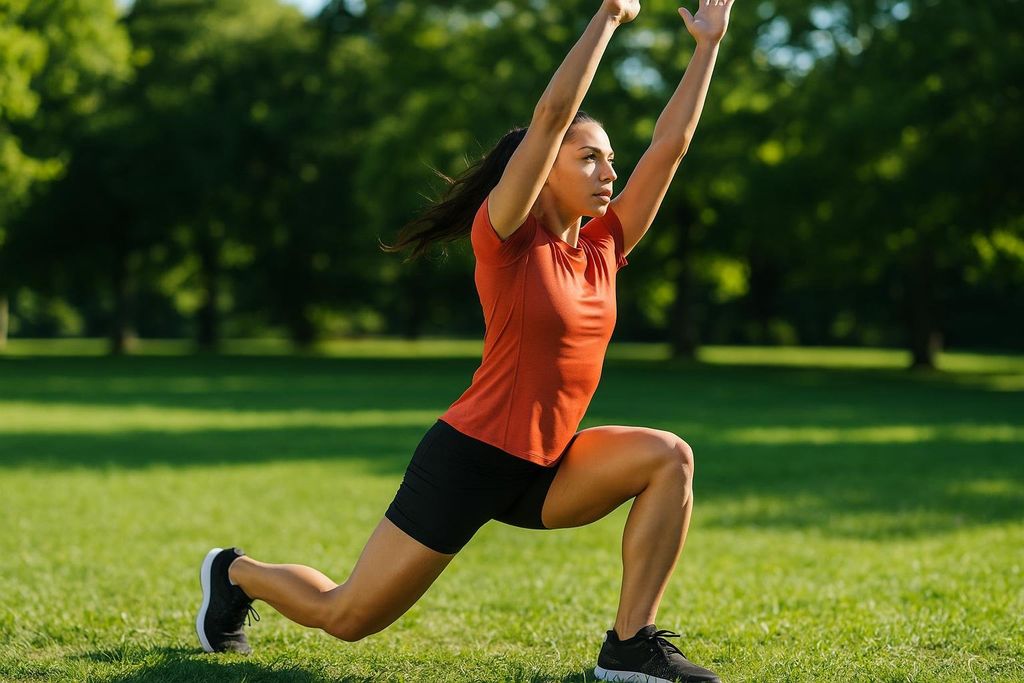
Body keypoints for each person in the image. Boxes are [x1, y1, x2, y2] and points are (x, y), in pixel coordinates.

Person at [195, 1, 735, 681]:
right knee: (347, 616)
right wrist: (607, 17)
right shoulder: (506, 235)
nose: (609, 172)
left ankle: (629, 645)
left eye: (610, 160)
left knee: (669, 458)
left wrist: (707, 46)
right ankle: (235, 573)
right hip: (470, 459)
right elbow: (550, 117)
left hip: (549, 465)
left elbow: (671, 147)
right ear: (544, 170)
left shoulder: (604, 246)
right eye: (590, 157)